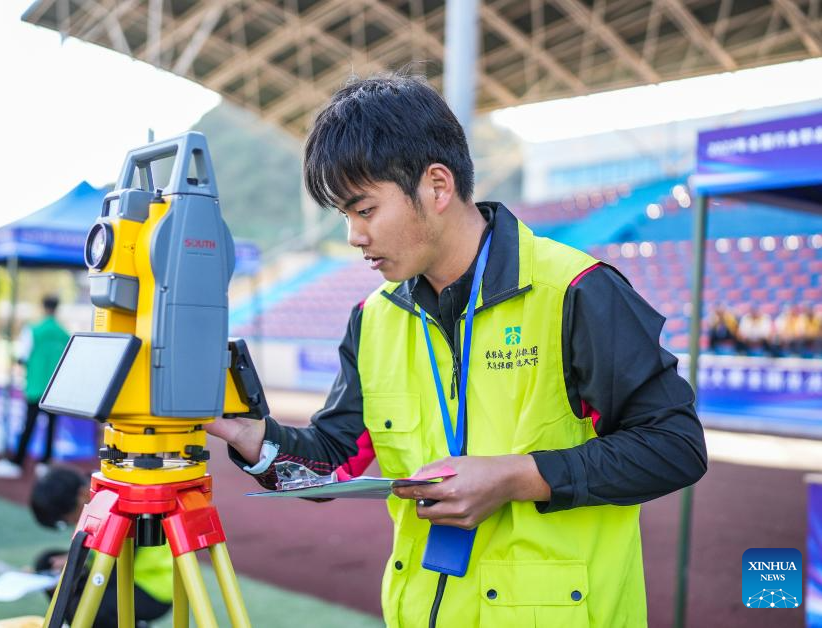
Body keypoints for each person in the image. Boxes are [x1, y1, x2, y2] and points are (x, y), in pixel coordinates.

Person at [206, 75, 707, 627]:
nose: (353, 235)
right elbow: (337, 459)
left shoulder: (575, 291)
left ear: (437, 187)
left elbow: (675, 446)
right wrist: (255, 439)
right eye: (344, 216)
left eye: (364, 210)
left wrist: (518, 477)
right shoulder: (373, 319)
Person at [30, 468, 172, 628]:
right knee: (46, 564)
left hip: (149, 585)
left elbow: (118, 563)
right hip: (114, 565)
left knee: (87, 608)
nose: (73, 523)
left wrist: (77, 566)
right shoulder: (99, 494)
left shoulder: (122, 503)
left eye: (67, 520)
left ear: (82, 494)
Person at [0, 295, 70, 480]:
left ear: (43, 307)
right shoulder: (64, 334)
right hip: (54, 390)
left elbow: (22, 357)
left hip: (35, 387)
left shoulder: (33, 330)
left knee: (29, 425)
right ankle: (45, 463)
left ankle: (18, 462)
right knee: (51, 427)